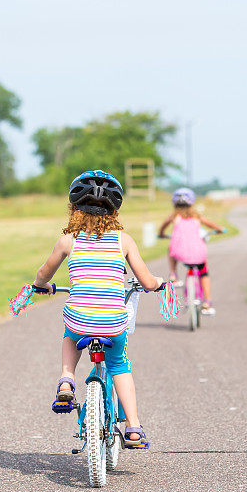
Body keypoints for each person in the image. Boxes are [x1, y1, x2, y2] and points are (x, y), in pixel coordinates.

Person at [32, 170, 163, 448]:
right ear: (114, 210)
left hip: (80, 320)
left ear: (74, 208)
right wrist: (159, 283)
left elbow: (45, 272)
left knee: (70, 335)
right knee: (119, 365)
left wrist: (39, 284)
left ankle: (66, 381)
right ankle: (134, 427)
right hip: (113, 322)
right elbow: (147, 282)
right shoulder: (123, 241)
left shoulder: (68, 241)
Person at [158, 187, 225, 316]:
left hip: (179, 252)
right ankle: (207, 301)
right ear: (192, 202)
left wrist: (161, 234)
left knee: (171, 249)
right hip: (197, 253)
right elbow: (211, 225)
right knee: (204, 271)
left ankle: (173, 273)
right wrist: (220, 229)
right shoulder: (197, 216)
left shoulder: (174, 216)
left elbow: (163, 227)